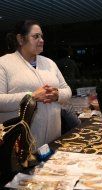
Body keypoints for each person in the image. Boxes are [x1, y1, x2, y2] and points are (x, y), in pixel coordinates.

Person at [0, 20, 72, 148]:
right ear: (20, 39)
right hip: (21, 142)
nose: (41, 40)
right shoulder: (4, 63)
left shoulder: (49, 63)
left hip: (53, 137)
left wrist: (57, 95)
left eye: (42, 36)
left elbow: (67, 90)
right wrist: (32, 96)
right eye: (36, 36)